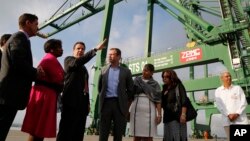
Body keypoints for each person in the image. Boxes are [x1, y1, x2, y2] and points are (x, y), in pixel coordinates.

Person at [0, 13, 44, 141]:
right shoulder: (19, 37)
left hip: (9, 96)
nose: (38, 28)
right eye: (36, 24)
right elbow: (17, 61)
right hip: (9, 96)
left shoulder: (19, 38)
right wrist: (36, 72)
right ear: (28, 23)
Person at [56, 39, 107, 141]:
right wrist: (95, 49)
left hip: (82, 105)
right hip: (70, 103)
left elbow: (86, 87)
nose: (80, 50)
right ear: (73, 50)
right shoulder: (68, 60)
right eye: (78, 48)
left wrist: (87, 103)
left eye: (83, 49)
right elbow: (75, 64)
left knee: (78, 133)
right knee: (65, 131)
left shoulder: (84, 69)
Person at [21, 39, 64, 141]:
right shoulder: (51, 59)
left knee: (37, 129)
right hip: (45, 96)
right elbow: (59, 78)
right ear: (52, 49)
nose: (62, 50)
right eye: (59, 47)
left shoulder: (49, 58)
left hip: (42, 94)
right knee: (39, 129)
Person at [98, 48, 134, 141]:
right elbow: (100, 88)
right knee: (103, 132)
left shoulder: (126, 71)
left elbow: (130, 90)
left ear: (118, 57)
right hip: (106, 103)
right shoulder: (103, 70)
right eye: (109, 54)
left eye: (112, 54)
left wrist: (126, 105)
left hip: (120, 104)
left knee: (118, 132)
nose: (109, 56)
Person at [129, 63, 162, 141]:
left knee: (149, 136)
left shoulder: (155, 84)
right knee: (136, 135)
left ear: (151, 73)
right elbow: (130, 96)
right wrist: (127, 110)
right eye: (143, 70)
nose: (144, 72)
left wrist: (159, 115)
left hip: (150, 111)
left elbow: (158, 100)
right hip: (136, 110)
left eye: (146, 71)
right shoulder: (136, 80)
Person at [214, 71, 249, 141]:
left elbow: (244, 102)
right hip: (227, 121)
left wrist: (237, 114)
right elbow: (219, 105)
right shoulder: (218, 91)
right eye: (227, 76)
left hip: (241, 120)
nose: (229, 78)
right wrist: (228, 115)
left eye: (230, 76)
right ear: (222, 78)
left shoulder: (237, 88)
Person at [161, 69, 188, 141]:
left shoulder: (178, 86)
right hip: (166, 118)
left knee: (177, 138)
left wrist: (183, 115)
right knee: (168, 138)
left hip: (176, 117)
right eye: (163, 77)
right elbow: (161, 104)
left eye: (167, 76)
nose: (164, 78)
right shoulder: (164, 88)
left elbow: (184, 101)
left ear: (172, 77)